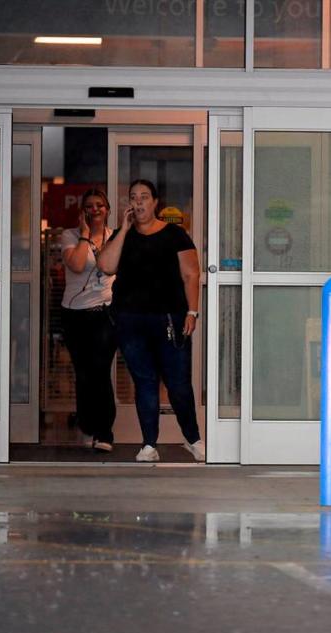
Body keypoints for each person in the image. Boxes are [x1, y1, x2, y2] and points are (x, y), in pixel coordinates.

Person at [97, 179, 205, 463]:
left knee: (178, 383)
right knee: (144, 382)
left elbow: (191, 275)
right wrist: (123, 229)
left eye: (145, 197)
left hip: (169, 318)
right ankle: (148, 444)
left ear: (156, 202)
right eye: (134, 197)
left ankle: (193, 438)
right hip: (130, 320)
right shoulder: (124, 234)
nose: (139, 202)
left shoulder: (175, 234)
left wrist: (192, 312)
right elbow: (107, 266)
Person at [60, 188, 117, 452]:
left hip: (104, 313)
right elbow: (76, 264)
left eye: (100, 205)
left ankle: (105, 431)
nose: (95, 210)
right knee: (83, 373)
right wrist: (84, 234)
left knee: (100, 371)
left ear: (107, 209)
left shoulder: (114, 237)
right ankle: (87, 426)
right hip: (75, 315)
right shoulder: (69, 236)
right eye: (90, 206)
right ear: (82, 210)